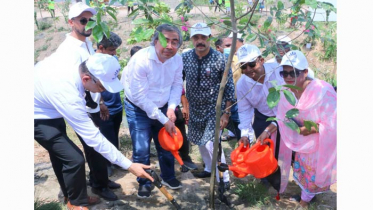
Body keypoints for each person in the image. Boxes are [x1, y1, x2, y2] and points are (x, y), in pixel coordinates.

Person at [34, 53, 154, 210]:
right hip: (36, 113)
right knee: (73, 158)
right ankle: (75, 203)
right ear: (86, 79)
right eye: (102, 87)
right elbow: (93, 137)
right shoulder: (66, 93)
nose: (103, 91)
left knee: (64, 155)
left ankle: (74, 195)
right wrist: (129, 165)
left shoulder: (79, 64)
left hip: (47, 101)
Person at [55, 2, 121, 202]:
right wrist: (88, 108)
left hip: (91, 103)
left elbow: (93, 76)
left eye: (90, 20)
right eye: (83, 20)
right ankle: (99, 185)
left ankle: (99, 178)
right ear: (71, 22)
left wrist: (99, 102)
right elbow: (72, 84)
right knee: (93, 145)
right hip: (80, 106)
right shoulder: (68, 50)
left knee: (97, 145)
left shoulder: (87, 43)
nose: (88, 24)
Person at [256, 50, 337, 208]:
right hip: (302, 144)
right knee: (303, 172)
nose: (288, 77)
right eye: (284, 73)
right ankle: (306, 196)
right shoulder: (287, 92)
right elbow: (282, 117)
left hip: (318, 144)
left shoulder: (323, 90)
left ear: (305, 72)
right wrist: (267, 131)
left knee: (313, 174)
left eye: (293, 73)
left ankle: (304, 202)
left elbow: (334, 121)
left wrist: (311, 128)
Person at [122, 24, 184, 198]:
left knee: (167, 143)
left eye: (175, 42)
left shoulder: (177, 59)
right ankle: (145, 182)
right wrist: (164, 119)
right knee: (141, 148)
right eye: (165, 40)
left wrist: (171, 108)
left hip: (163, 105)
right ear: (155, 41)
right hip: (138, 107)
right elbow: (140, 97)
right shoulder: (141, 60)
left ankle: (168, 176)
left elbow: (177, 84)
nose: (170, 46)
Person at [182, 23, 235, 190]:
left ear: (209, 38)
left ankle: (223, 178)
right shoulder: (185, 57)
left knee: (214, 144)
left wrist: (226, 113)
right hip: (194, 108)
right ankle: (207, 168)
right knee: (200, 142)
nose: (200, 41)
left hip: (214, 109)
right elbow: (178, 82)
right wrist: (185, 106)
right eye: (196, 37)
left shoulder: (220, 59)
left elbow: (229, 87)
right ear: (191, 39)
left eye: (203, 37)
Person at [235, 44, 284, 153]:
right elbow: (244, 110)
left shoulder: (278, 71)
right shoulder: (242, 84)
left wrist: (271, 127)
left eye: (252, 64)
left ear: (261, 60)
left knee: (289, 154)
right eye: (243, 66)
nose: (248, 69)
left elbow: (290, 100)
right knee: (266, 154)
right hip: (264, 117)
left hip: (287, 114)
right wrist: (245, 134)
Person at [95, 32, 123, 179]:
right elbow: (91, 86)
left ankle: (116, 160)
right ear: (101, 48)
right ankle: (106, 164)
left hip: (116, 104)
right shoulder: (93, 63)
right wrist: (100, 103)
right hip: (104, 107)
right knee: (106, 137)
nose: (114, 53)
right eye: (112, 49)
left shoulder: (113, 59)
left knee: (114, 135)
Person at [218, 33, 244, 141]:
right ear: (219, 48)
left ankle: (242, 143)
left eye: (232, 46)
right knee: (219, 125)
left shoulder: (240, 61)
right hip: (220, 101)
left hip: (236, 100)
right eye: (227, 46)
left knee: (238, 122)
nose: (230, 48)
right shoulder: (216, 62)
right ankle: (217, 150)